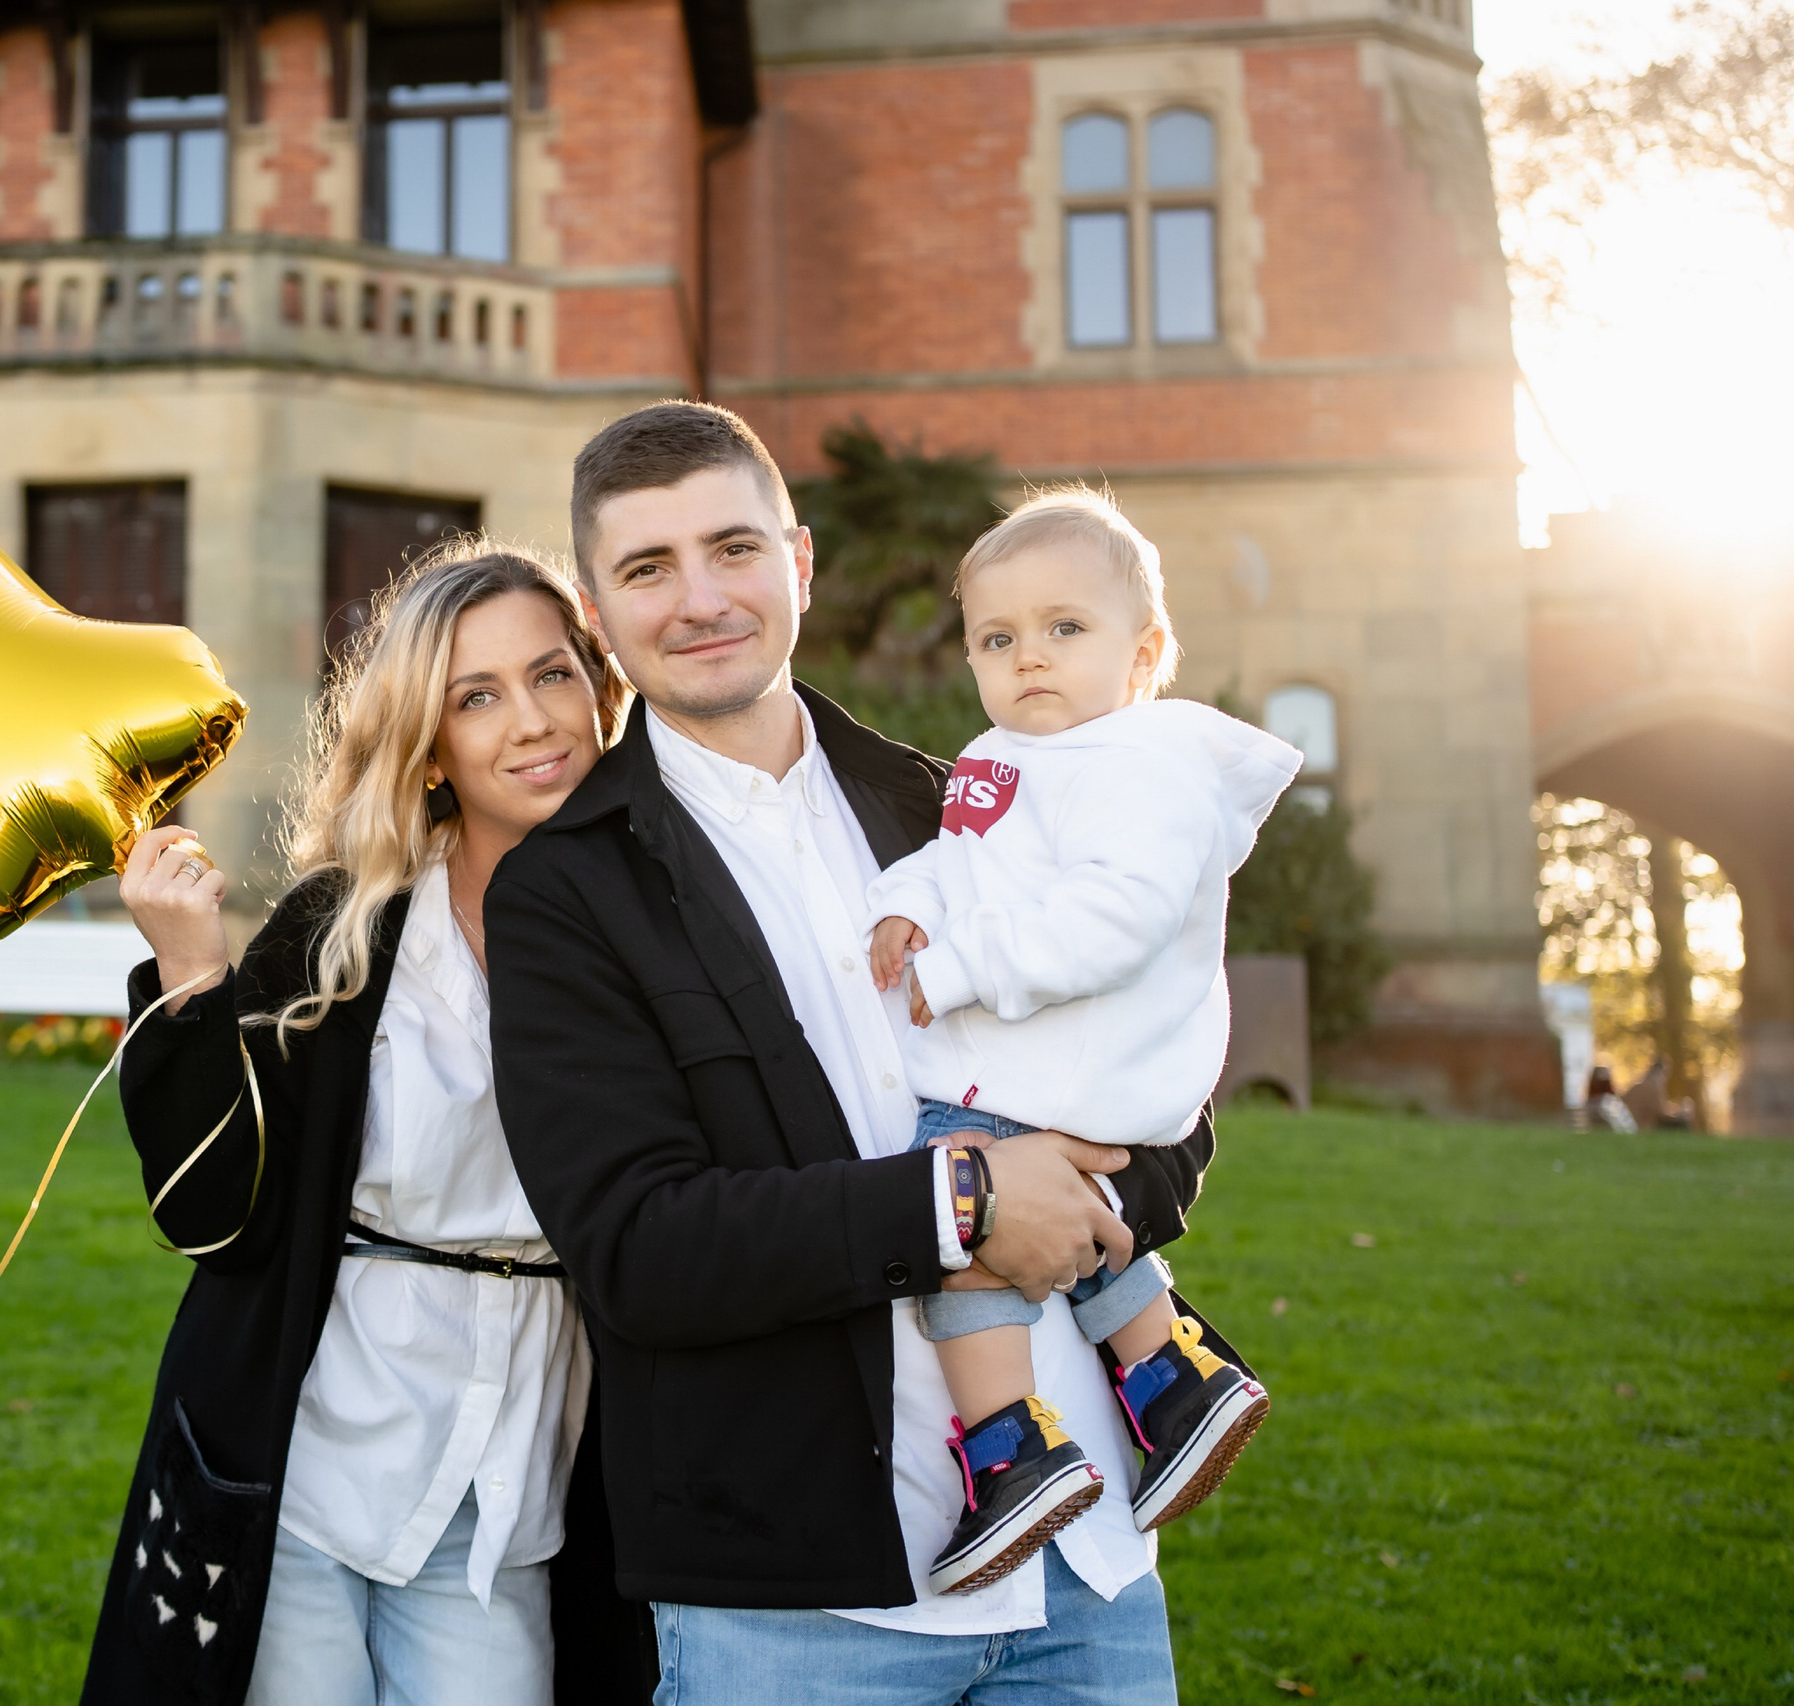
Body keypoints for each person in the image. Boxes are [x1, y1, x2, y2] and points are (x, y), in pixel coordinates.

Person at [487, 401, 1215, 1705]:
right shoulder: (562, 894)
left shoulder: (953, 802)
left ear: (800, 561)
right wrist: (961, 1204)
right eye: (648, 568)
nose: (701, 598)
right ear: (598, 615)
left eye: (734, 548)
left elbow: (1160, 1082)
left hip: (1087, 1569)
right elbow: (638, 1247)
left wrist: (1088, 1201)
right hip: (801, 1605)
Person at [78, 541, 646, 1706]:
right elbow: (208, 1214)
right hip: (312, 1462)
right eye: (475, 696)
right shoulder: (346, 926)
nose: (531, 720)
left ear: (601, 686)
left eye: (551, 673)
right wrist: (190, 975)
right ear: (428, 746)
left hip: (511, 1482)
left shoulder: (660, 926)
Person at [861, 490, 1293, 1595]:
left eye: (1065, 627)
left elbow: (1116, 916)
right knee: (1072, 1214)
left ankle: (1010, 1449)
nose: (1030, 658)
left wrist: (963, 966)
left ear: (1143, 654)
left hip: (1074, 1057)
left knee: (956, 1217)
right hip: (1048, 1067)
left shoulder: (1139, 765)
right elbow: (961, 859)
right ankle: (1170, 1383)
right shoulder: (1004, 756)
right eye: (996, 639)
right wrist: (906, 906)